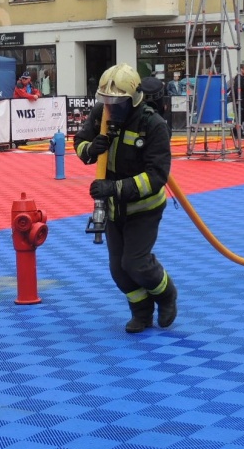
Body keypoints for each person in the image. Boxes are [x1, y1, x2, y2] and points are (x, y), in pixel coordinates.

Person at [73, 63, 177, 334]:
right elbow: (80, 143)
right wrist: (90, 149)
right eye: (105, 100)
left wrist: (114, 188)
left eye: (117, 102)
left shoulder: (152, 124)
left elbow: (156, 177)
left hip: (144, 209)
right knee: (118, 270)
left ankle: (166, 295)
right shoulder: (101, 114)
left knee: (135, 263)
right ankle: (141, 312)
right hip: (113, 209)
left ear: (133, 98)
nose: (110, 107)